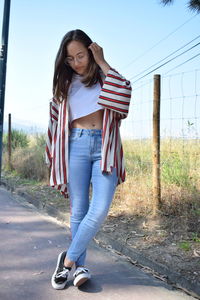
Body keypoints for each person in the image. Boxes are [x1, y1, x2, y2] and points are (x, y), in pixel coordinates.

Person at [45, 29, 132, 290]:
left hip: (104, 146)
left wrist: (103, 61)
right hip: (76, 145)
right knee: (79, 209)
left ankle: (68, 261)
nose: (76, 63)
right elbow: (54, 121)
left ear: (92, 51)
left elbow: (125, 95)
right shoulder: (65, 84)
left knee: (100, 208)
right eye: (69, 59)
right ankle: (81, 266)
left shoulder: (106, 78)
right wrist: (53, 156)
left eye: (80, 55)